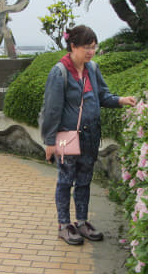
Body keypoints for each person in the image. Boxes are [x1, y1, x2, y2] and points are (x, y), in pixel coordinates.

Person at [40, 25, 136, 245]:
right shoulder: (60, 72)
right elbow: (52, 109)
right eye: (87, 47)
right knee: (66, 181)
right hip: (66, 136)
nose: (91, 52)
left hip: (90, 135)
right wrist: (49, 141)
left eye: (94, 47)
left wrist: (121, 100)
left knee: (84, 181)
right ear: (73, 46)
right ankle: (64, 225)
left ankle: (82, 222)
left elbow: (102, 95)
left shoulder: (92, 68)